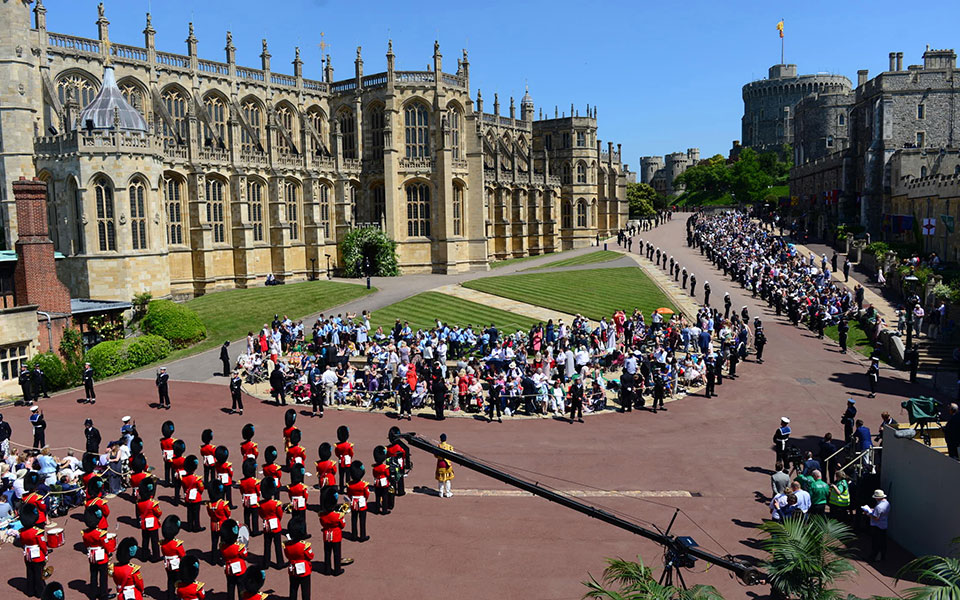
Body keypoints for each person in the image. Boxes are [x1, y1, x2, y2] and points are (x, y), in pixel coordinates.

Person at [82, 505, 116, 600]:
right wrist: (109, 552)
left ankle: (93, 594)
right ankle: (103, 595)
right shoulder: (100, 534)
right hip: (101, 555)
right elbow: (106, 545)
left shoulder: (85, 533)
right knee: (103, 577)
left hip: (92, 555)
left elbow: (86, 544)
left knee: (93, 575)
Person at [19, 503, 48, 599]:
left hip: (27, 554)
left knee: (30, 573)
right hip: (37, 555)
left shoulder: (22, 531)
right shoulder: (37, 532)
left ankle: (30, 591)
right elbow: (43, 545)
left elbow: (22, 543)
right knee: (38, 574)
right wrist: (46, 553)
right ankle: (40, 592)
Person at [283, 517, 313, 600]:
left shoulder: (287, 545)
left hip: (292, 569)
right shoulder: (304, 546)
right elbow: (311, 556)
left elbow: (287, 555)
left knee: (293, 588)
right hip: (305, 570)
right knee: (305, 591)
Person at [258, 477, 284, 569]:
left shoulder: (260, 504)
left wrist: (265, 519)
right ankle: (280, 563)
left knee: (267, 545)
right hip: (276, 525)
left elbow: (260, 514)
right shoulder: (275, 504)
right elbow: (280, 514)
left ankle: (266, 563)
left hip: (266, 525)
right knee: (277, 545)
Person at [219, 519, 248, 600]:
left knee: (230, 587)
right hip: (240, 569)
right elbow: (245, 555)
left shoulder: (222, 546)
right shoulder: (239, 547)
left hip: (229, 569)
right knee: (241, 587)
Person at [161, 516, 187, 600]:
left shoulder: (163, 544)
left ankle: (170, 596)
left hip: (168, 565)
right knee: (179, 582)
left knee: (170, 581)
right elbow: (182, 555)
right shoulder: (176, 544)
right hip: (177, 565)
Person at [137, 479, 162, 562]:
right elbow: (159, 513)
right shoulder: (152, 503)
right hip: (153, 524)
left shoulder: (139, 503)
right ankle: (156, 556)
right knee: (155, 541)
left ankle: (144, 556)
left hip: (144, 523)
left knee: (145, 540)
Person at [862, 489, 890, 561]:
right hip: (883, 525)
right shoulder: (886, 503)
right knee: (883, 542)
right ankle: (882, 556)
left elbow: (876, 518)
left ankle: (874, 557)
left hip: (877, 526)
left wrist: (868, 513)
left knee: (876, 543)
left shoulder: (879, 507)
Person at [346, 463, 370, 542]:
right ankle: (362, 536)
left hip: (354, 503)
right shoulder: (363, 485)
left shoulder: (349, 485)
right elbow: (366, 494)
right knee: (362, 520)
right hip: (362, 503)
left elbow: (349, 494)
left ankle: (354, 535)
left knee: (354, 519)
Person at [435, 433, 455, 498]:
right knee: (447, 480)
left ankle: (440, 493)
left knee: (440, 480)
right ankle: (448, 493)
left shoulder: (438, 446)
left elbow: (435, 455)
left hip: (440, 464)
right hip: (447, 465)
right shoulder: (449, 446)